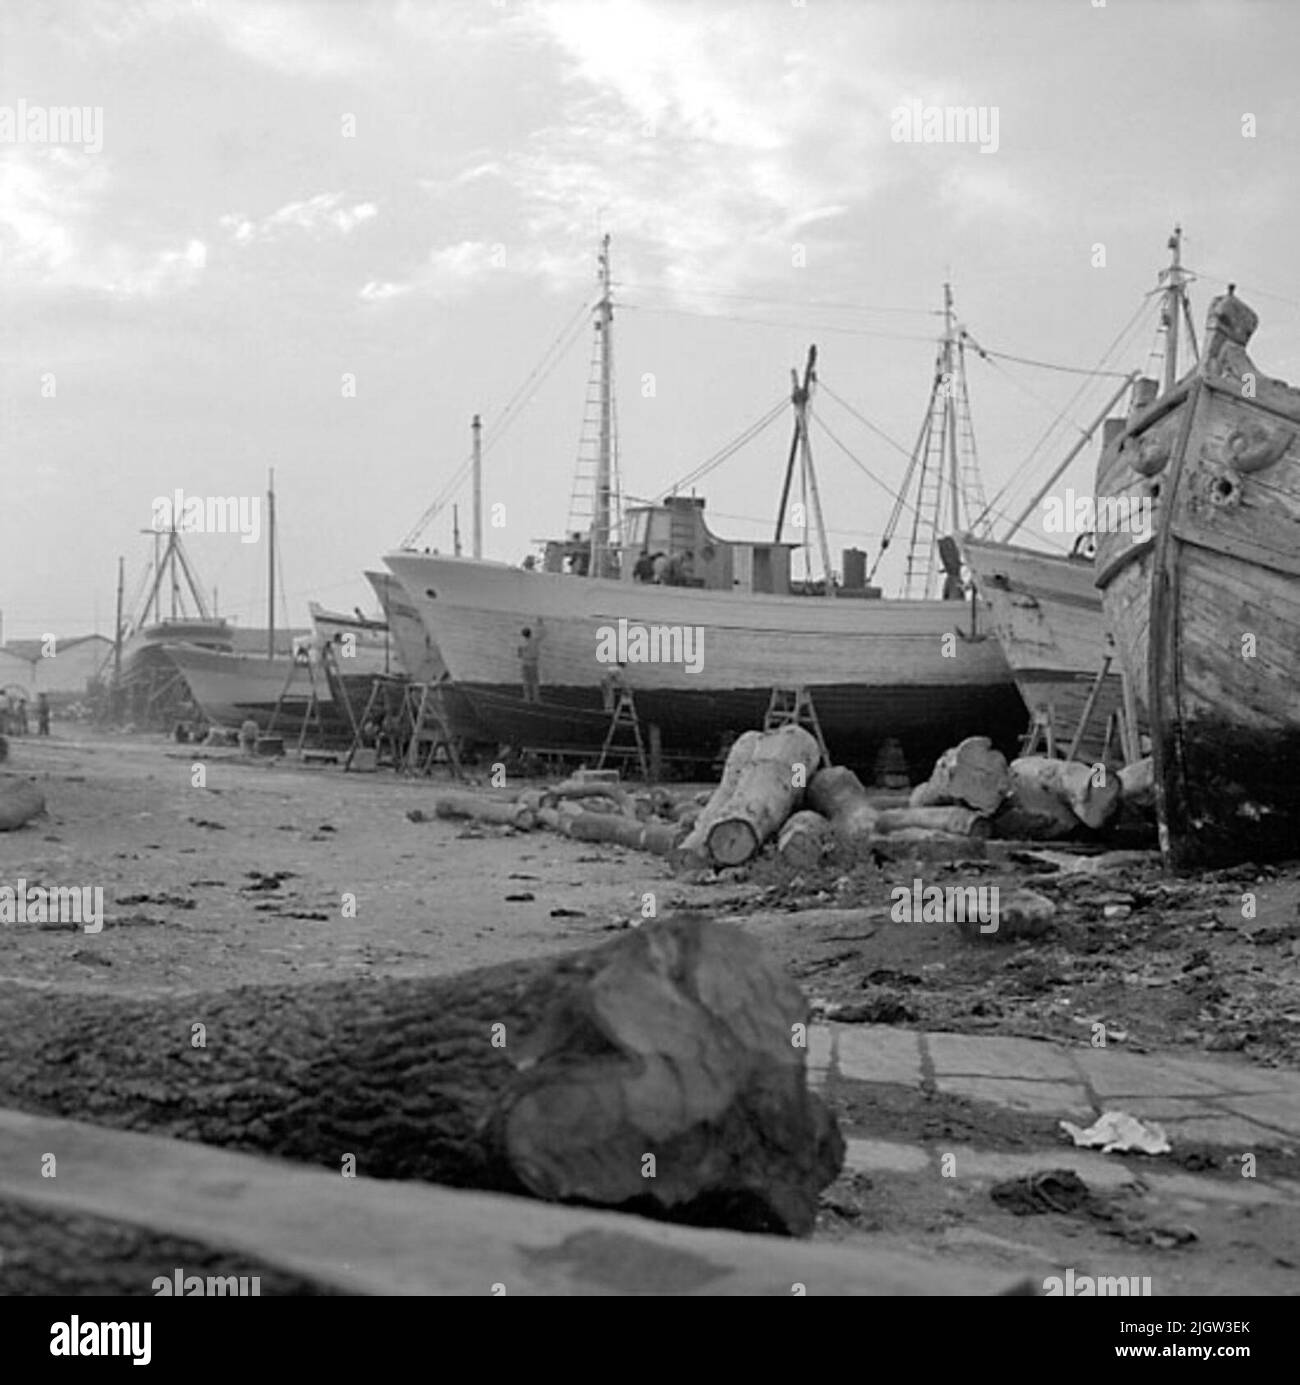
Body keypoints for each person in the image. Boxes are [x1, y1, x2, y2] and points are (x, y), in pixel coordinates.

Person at [517, 625, 541, 703]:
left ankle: (527, 698)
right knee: (535, 681)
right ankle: (536, 698)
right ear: (530, 633)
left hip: (525, 663)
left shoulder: (522, 643)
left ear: (523, 635)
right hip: (533, 663)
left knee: (526, 681)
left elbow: (519, 655)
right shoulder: (535, 642)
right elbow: (537, 654)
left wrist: (520, 651)